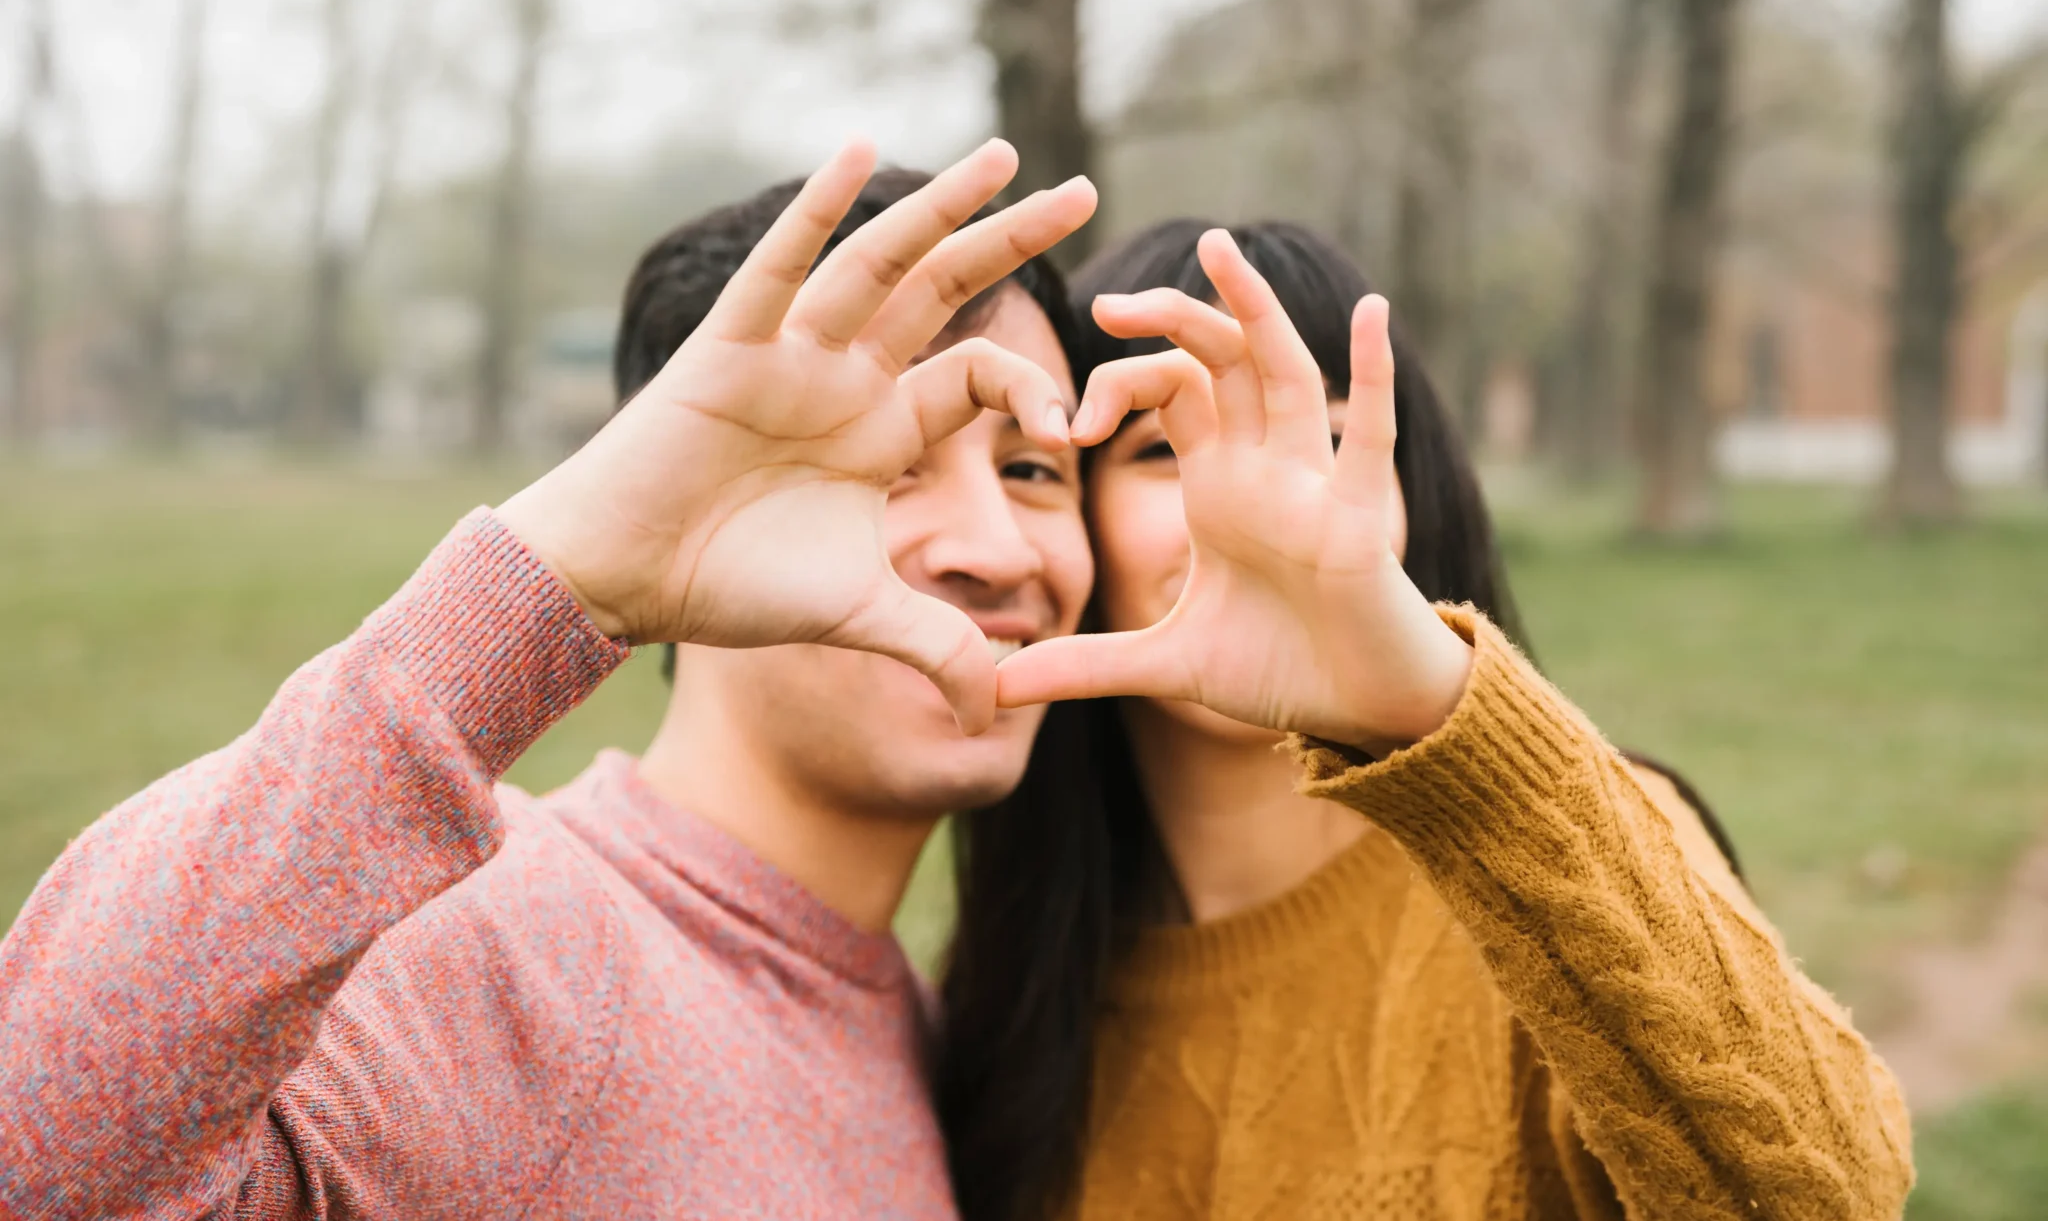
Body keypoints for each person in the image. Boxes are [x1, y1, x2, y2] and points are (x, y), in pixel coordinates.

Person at [0, 139, 1101, 1220]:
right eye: (888, 458)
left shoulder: (935, 1029)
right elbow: (42, 1157)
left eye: (1033, 469)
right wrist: (549, 575)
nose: (996, 547)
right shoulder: (514, 953)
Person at [942, 221, 1915, 1221]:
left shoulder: (1574, 862)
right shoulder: (1017, 969)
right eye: (1164, 447)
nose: (1255, 504)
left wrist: (1447, 725)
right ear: (1075, 517)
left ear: (1413, 503)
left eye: (1324, 440)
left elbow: (1827, 1198)